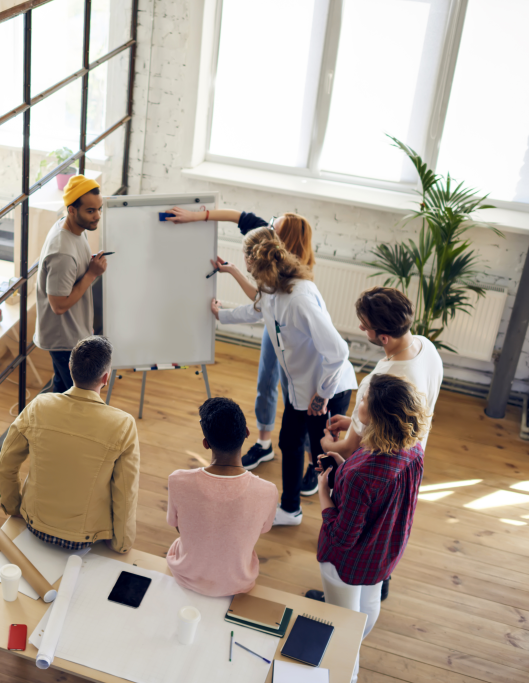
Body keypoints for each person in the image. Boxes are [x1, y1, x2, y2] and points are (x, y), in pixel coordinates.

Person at [212, 228, 357, 526]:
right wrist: (221, 314)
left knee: (322, 458)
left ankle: (344, 519)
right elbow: (256, 309)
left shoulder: (299, 297)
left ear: (255, 260)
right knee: (290, 443)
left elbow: (338, 352)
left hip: (326, 389)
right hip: (301, 391)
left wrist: (322, 394)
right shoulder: (273, 289)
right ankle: (290, 509)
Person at [167, 207, 317, 487]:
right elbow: (238, 217)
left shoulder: (296, 276)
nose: (269, 223)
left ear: (287, 241)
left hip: (294, 339)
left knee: (299, 400)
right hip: (273, 328)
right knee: (265, 384)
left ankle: (313, 462)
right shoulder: (265, 235)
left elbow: (260, 305)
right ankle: (264, 444)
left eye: (276, 224)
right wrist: (195, 217)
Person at [318, 286, 443, 601]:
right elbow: (388, 417)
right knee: (383, 529)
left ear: (383, 337)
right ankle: (376, 578)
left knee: (358, 531)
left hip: (375, 465)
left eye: (365, 325)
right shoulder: (427, 348)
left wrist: (326, 443)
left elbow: (345, 451)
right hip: (407, 460)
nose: (361, 328)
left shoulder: (383, 378)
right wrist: (357, 424)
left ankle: (352, 591)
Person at [315, 374, 428, 683]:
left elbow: (342, 537)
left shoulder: (360, 474)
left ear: (378, 416)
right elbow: (382, 498)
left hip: (348, 564)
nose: (359, 401)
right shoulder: (413, 449)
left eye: (364, 400)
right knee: (368, 605)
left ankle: (346, 672)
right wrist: (344, 468)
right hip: (384, 551)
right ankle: (354, 645)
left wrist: (325, 493)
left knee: (342, 622)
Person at [0, 335, 140, 552]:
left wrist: (13, 507)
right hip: (85, 537)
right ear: (106, 378)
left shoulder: (39, 406)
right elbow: (126, 492)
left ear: (70, 368)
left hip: (34, 525)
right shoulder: (123, 424)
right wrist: (122, 543)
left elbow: (6, 463)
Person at [166, 397, 278, 597]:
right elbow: (261, 529)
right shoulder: (268, 491)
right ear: (246, 434)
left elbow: (178, 526)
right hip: (239, 582)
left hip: (186, 576)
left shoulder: (178, 480)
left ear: (206, 444)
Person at [33, 175, 107, 394]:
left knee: (61, 391)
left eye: (99, 209)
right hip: (64, 339)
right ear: (72, 210)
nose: (97, 216)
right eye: (91, 211)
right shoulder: (62, 251)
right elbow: (58, 305)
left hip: (72, 333)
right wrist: (92, 274)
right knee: (75, 397)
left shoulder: (72, 230)